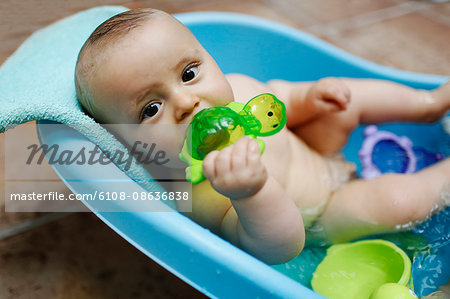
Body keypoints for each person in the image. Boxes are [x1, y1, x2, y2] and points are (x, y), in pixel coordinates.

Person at [74, 8, 450, 264]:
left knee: (341, 102)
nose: (187, 102)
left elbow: (282, 100)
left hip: (318, 151)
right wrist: (250, 194)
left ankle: (427, 103)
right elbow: (280, 249)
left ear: (208, 57)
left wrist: (309, 98)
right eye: (150, 109)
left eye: (188, 73)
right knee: (397, 201)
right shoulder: (199, 193)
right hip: (324, 211)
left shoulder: (238, 87)